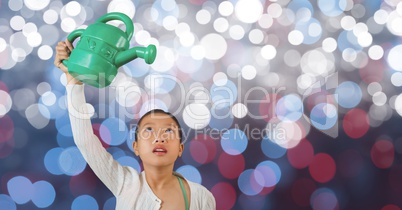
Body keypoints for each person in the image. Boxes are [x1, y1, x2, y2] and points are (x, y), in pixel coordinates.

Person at [54, 39, 216, 210]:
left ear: (180, 149)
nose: (159, 138)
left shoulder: (201, 196)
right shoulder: (124, 183)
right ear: (136, 147)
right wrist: (74, 81)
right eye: (149, 131)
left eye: (168, 131)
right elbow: (85, 141)